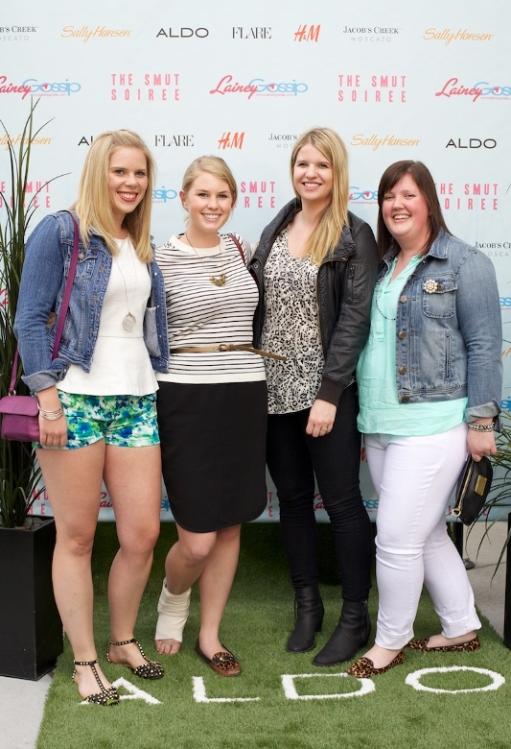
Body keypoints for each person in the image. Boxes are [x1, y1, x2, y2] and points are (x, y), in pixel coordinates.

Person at [14, 130, 169, 705]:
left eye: (140, 173)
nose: (131, 182)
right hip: (74, 399)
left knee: (142, 534)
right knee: (77, 537)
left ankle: (122, 640)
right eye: (119, 171)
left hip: (136, 397)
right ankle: (84, 661)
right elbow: (29, 318)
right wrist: (47, 400)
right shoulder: (62, 230)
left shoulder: (139, 241)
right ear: (98, 171)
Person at [347, 160, 501, 678]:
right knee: (427, 533)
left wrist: (482, 423)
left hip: (433, 424)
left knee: (395, 540)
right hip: (381, 423)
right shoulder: (382, 264)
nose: (397, 205)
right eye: (389, 196)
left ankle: (390, 641)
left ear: (429, 201)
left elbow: (485, 346)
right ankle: (460, 626)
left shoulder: (465, 263)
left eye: (408, 195)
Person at [249, 127, 379, 666]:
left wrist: (329, 392)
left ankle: (355, 615)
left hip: (328, 391)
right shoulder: (277, 226)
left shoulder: (354, 234)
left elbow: (354, 319)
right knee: (293, 501)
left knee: (343, 503)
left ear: (337, 172)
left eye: (322, 165)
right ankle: (308, 607)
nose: (310, 173)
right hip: (272, 391)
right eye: (303, 163)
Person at [154, 156, 270, 677]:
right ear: (183, 198)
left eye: (222, 195)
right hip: (186, 397)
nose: (213, 204)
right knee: (196, 540)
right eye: (202, 194)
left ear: (233, 201)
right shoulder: (158, 259)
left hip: (244, 393)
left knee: (229, 524)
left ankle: (210, 634)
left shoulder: (241, 249)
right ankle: (173, 598)